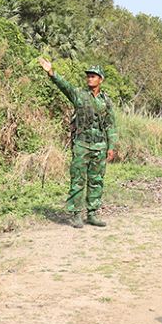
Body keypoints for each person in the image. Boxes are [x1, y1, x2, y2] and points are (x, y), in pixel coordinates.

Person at [39, 59, 117, 229]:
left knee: (96, 180)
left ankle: (92, 214)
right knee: (78, 180)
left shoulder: (106, 101)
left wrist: (111, 147)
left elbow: (111, 125)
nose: (90, 78)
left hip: (99, 146)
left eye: (93, 76)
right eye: (88, 76)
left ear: (100, 80)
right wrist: (51, 72)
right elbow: (64, 86)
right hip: (82, 145)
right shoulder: (79, 95)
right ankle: (75, 215)